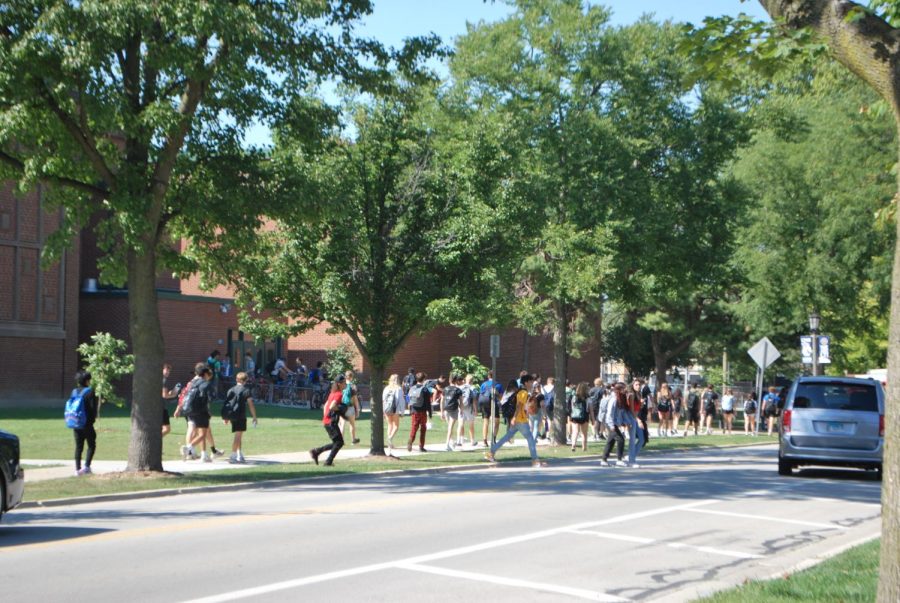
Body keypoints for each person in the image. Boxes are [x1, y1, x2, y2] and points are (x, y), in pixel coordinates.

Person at [484, 376, 545, 467]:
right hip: (520, 420)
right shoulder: (523, 392)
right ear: (526, 382)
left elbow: (523, 406)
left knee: (506, 437)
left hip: (517, 420)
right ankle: (535, 460)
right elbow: (519, 406)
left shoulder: (521, 392)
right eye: (531, 382)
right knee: (531, 439)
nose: (532, 384)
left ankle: (490, 453)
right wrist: (515, 417)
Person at [181, 363, 215, 462]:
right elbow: (211, 397)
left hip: (190, 410)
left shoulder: (192, 382)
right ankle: (188, 448)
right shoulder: (205, 383)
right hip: (201, 411)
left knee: (194, 431)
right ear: (205, 373)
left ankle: (194, 451)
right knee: (202, 434)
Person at [222, 372, 257, 463]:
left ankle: (239, 453)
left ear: (236, 379)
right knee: (238, 435)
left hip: (232, 414)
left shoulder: (231, 390)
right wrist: (254, 416)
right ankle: (233, 455)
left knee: (239, 434)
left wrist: (226, 417)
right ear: (245, 381)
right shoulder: (246, 390)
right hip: (240, 415)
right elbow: (250, 404)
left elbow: (227, 404)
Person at [310, 381, 345, 466]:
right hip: (331, 422)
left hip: (327, 421)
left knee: (337, 443)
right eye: (344, 383)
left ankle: (316, 452)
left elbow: (325, 406)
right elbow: (331, 406)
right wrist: (340, 409)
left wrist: (326, 416)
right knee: (339, 443)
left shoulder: (332, 393)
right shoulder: (338, 394)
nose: (345, 384)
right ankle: (328, 461)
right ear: (339, 384)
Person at [71, 371, 98, 476]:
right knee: (91, 445)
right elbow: (92, 409)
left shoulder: (74, 392)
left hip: (76, 423)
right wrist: (92, 420)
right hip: (87, 424)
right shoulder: (90, 391)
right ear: (87, 380)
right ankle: (87, 467)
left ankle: (77, 469)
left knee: (78, 446)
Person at [600, 384, 629, 467]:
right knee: (620, 439)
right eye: (624, 389)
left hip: (614, 423)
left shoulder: (620, 399)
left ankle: (604, 459)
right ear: (619, 390)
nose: (625, 391)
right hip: (610, 422)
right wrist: (611, 425)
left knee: (611, 441)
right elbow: (609, 413)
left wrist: (624, 422)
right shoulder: (614, 399)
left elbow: (621, 413)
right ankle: (619, 459)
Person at [407, 372, 435, 452]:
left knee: (414, 427)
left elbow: (407, 397)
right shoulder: (425, 389)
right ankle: (421, 446)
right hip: (422, 412)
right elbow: (428, 402)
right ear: (423, 379)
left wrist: (409, 405)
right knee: (423, 429)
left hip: (414, 411)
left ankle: (411, 440)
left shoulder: (412, 388)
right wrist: (429, 412)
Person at [478, 371, 502, 447]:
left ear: (488, 376)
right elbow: (501, 397)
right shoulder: (498, 384)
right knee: (497, 421)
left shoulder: (483, 384)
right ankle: (493, 439)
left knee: (486, 421)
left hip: (485, 403)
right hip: (494, 403)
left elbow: (481, 394)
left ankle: (485, 440)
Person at [383, 374, 405, 451]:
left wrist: (383, 410)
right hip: (396, 409)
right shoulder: (399, 389)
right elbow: (401, 401)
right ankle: (390, 438)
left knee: (389, 425)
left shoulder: (386, 388)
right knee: (396, 426)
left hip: (387, 409)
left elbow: (383, 400)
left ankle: (390, 443)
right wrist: (402, 412)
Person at [339, 370, 361, 444]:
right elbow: (355, 399)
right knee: (352, 424)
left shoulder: (341, 385)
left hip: (342, 407)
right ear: (351, 377)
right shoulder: (352, 386)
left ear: (345, 376)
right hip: (350, 407)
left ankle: (341, 441)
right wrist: (357, 409)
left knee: (342, 424)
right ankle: (353, 440)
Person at [441, 374, 463, 451]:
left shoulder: (445, 389)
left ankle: (452, 441)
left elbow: (442, 401)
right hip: (454, 409)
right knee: (450, 427)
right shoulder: (458, 390)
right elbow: (461, 402)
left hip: (446, 409)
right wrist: (462, 410)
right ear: (456, 381)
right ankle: (447, 444)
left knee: (449, 427)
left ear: (449, 380)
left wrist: (442, 412)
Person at [457, 374, 478, 447]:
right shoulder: (473, 388)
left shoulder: (460, 387)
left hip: (461, 406)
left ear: (465, 380)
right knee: (471, 424)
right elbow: (474, 400)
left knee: (461, 424)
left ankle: (459, 440)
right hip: (469, 407)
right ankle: (472, 441)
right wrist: (476, 410)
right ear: (472, 381)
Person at [161, 363, 181, 438]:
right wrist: (174, 394)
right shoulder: (164, 380)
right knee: (167, 429)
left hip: (156, 407)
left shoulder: (157, 379)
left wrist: (170, 392)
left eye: (169, 371)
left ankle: (155, 446)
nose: (167, 372)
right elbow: (165, 395)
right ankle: (154, 441)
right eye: (166, 370)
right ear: (162, 370)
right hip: (162, 408)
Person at [570, 382, 590, 452]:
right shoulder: (587, 398)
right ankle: (584, 447)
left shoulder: (574, 397)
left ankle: (573, 446)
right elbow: (590, 409)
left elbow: (571, 406)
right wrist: (593, 419)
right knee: (584, 433)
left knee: (575, 432)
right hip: (584, 416)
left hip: (575, 416)